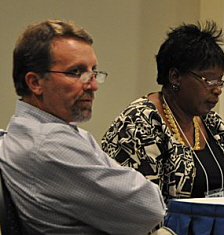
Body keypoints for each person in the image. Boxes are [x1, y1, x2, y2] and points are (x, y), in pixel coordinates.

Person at [0, 19, 166, 235]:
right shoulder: (49, 144)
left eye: (93, 71)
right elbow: (150, 207)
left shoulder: (23, 132)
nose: (93, 85)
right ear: (35, 82)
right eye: (75, 72)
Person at [102, 21, 224, 204]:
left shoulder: (212, 123)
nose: (217, 90)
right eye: (208, 80)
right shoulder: (139, 124)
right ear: (175, 77)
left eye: (220, 82)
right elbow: (140, 209)